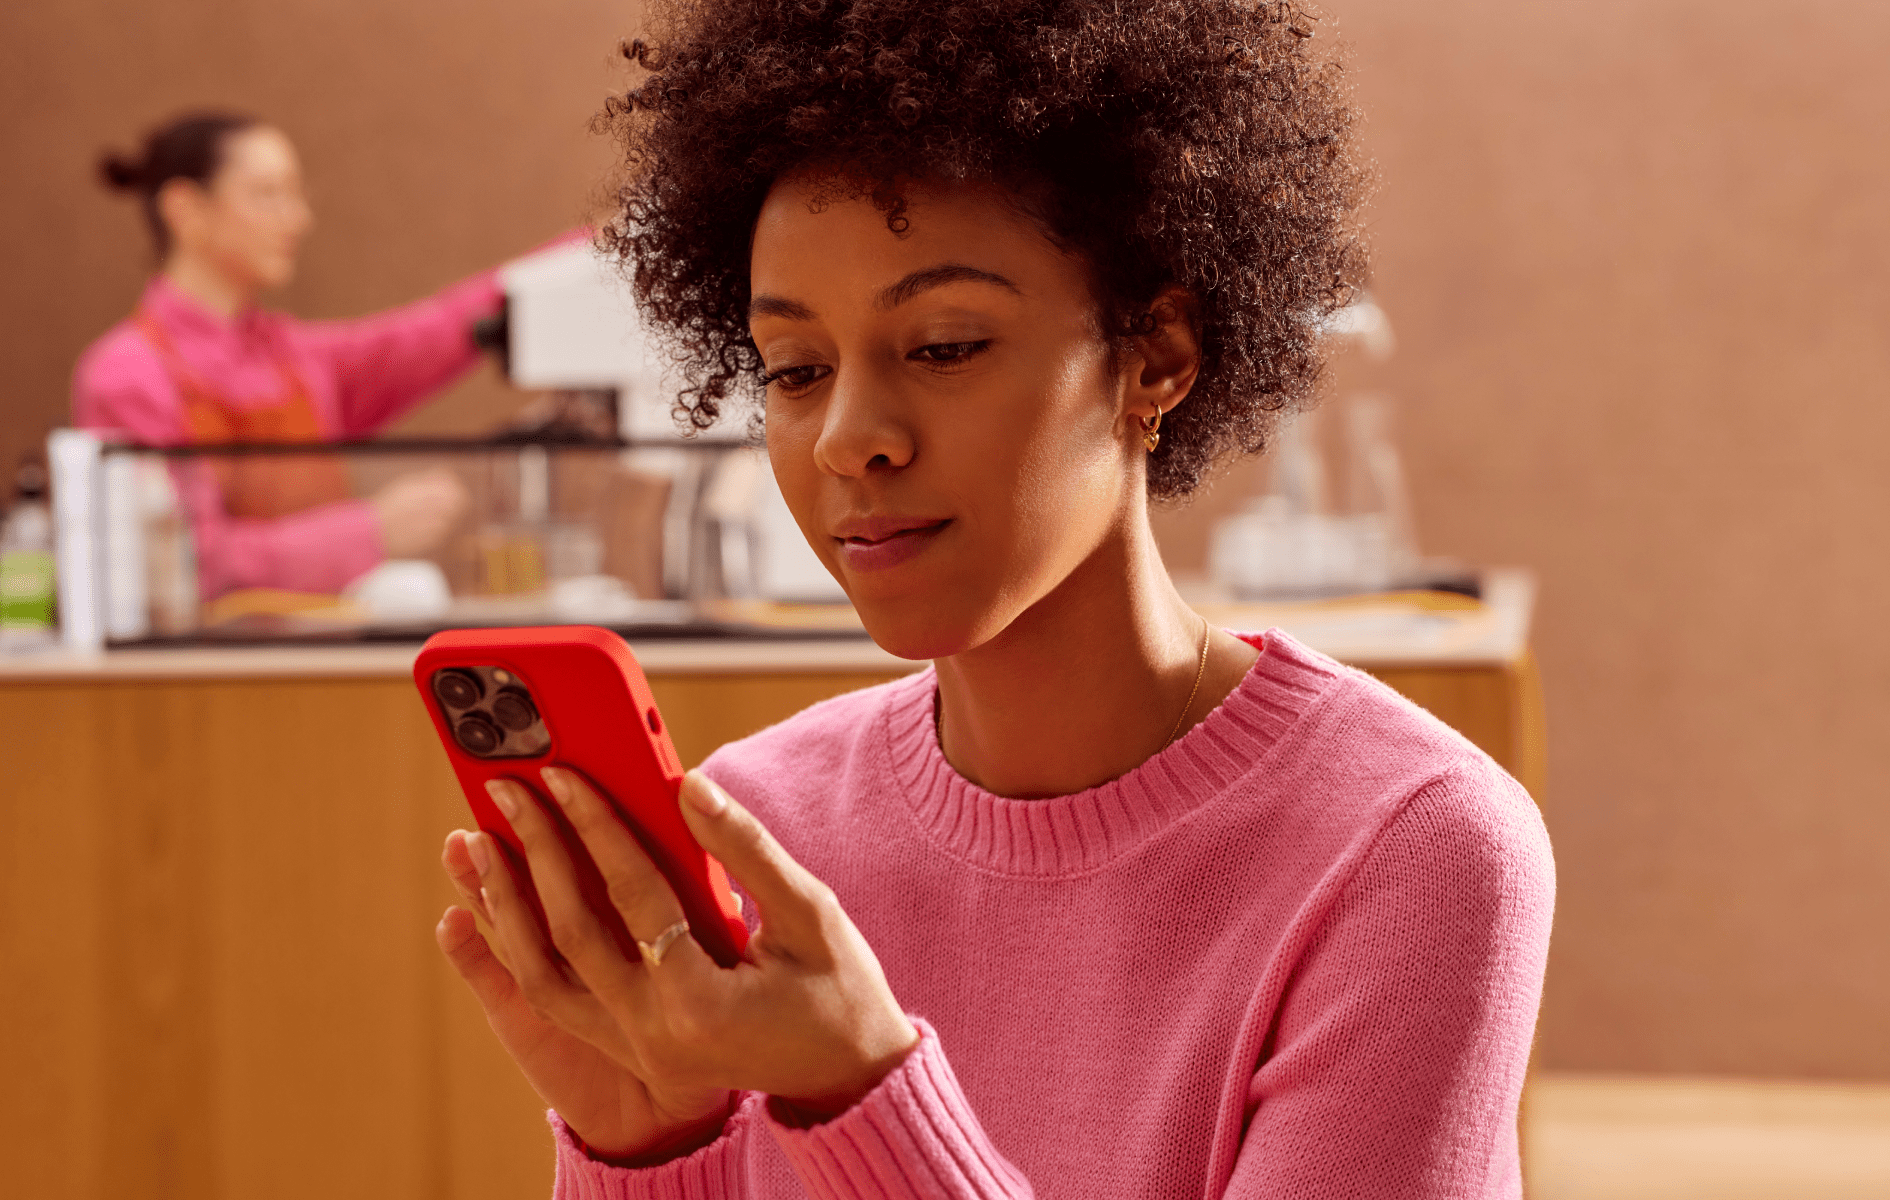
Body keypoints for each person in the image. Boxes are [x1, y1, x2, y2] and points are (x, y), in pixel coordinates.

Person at [434, 2, 1556, 1197]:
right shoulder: (765, 836)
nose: (849, 440)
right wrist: (648, 1151)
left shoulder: (1409, 847)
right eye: (798, 371)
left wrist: (866, 1096)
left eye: (944, 346)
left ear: (1155, 356)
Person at [73, 112, 499, 599]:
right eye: (268, 194)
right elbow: (185, 563)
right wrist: (370, 531)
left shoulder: (294, 354)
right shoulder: (125, 375)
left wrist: (580, 257)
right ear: (185, 209)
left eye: (297, 195)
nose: (298, 218)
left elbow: (423, 336)